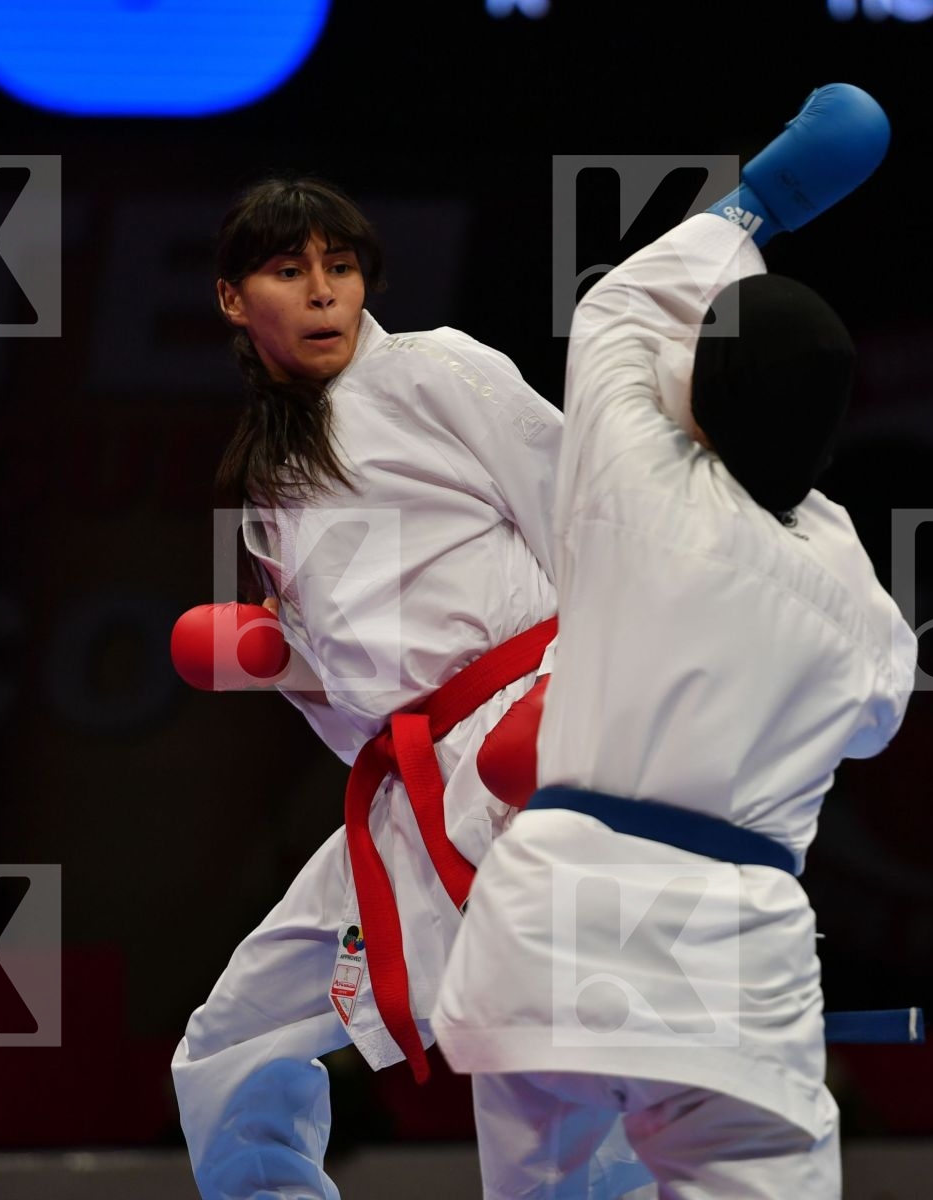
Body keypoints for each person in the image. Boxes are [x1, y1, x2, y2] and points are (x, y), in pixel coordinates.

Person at [433, 84, 917, 1198]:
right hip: (727, 959)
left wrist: (750, 209)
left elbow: (621, 316)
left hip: (547, 929)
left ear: (698, 393)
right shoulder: (854, 598)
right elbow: (882, 721)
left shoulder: (637, 480)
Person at [168, 177, 652, 1199]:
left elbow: (587, 518)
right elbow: (359, 696)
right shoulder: (262, 478)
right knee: (237, 1037)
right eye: (289, 272)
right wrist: (273, 659)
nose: (322, 294)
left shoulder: (438, 367)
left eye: (339, 269)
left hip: (533, 731)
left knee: (546, 1044)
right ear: (231, 298)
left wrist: (590, 709)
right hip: (411, 778)